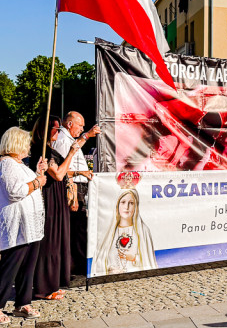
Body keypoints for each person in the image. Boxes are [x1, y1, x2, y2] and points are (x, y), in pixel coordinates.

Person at [0, 127, 47, 324]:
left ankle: (22, 303)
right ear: (17, 144)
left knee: (27, 267)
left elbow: (28, 185)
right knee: (10, 267)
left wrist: (38, 173)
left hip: (29, 226)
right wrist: (38, 182)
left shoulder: (19, 165)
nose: (29, 146)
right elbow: (15, 192)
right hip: (17, 226)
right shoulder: (8, 165)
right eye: (26, 142)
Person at [30, 117, 80, 301]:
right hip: (48, 200)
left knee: (57, 242)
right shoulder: (41, 151)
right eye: (55, 129)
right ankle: (43, 288)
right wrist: (71, 153)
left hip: (57, 199)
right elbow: (58, 174)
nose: (58, 132)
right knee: (49, 243)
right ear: (45, 130)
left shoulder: (50, 150)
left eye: (59, 129)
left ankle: (53, 284)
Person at [51, 111, 99, 276]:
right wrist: (80, 173)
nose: (82, 128)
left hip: (78, 187)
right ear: (70, 124)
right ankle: (74, 268)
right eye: (80, 125)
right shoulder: (64, 141)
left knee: (78, 229)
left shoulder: (69, 139)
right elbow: (62, 170)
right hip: (73, 188)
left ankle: (76, 266)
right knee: (76, 230)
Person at [93, 188, 158, 274]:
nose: (126, 207)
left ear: (136, 206)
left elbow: (148, 261)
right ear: (117, 205)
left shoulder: (143, 231)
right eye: (123, 202)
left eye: (131, 203)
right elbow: (100, 262)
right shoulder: (108, 232)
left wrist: (134, 258)